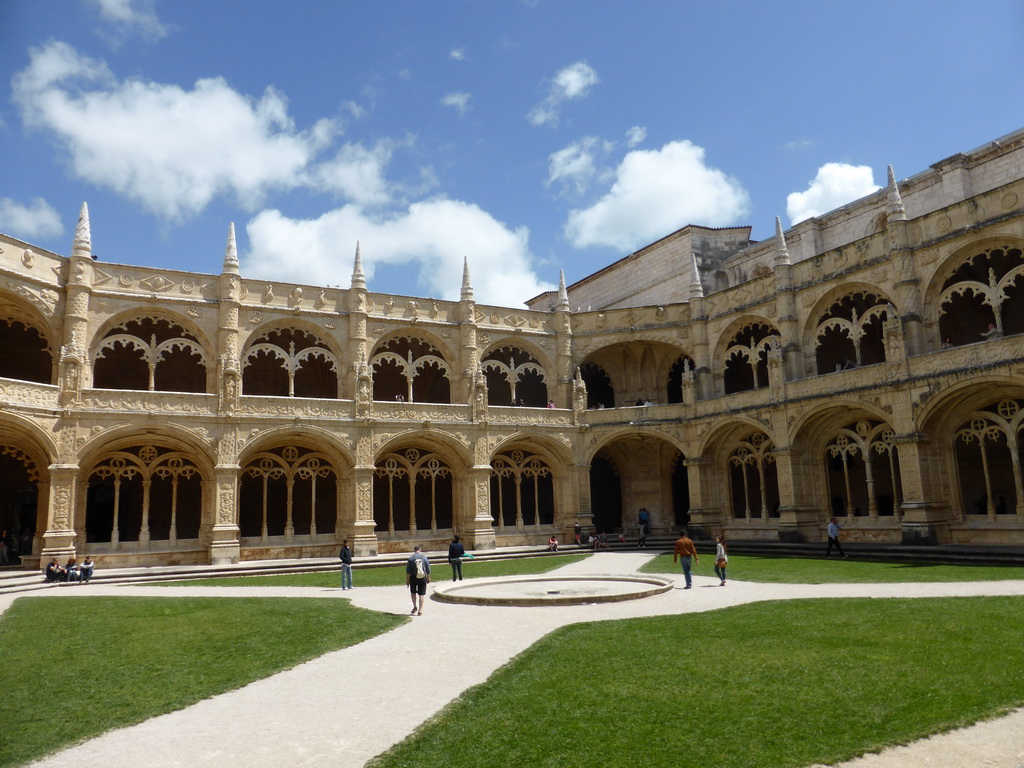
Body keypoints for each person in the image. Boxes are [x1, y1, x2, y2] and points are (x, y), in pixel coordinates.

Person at [406, 544, 431, 615]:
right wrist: (428, 577)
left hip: (413, 577)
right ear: (420, 550)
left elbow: (408, 570)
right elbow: (428, 568)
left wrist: (407, 580)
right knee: (421, 594)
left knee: (413, 592)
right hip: (422, 577)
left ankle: (414, 606)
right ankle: (420, 610)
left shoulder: (411, 558)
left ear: (414, 550)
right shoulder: (424, 557)